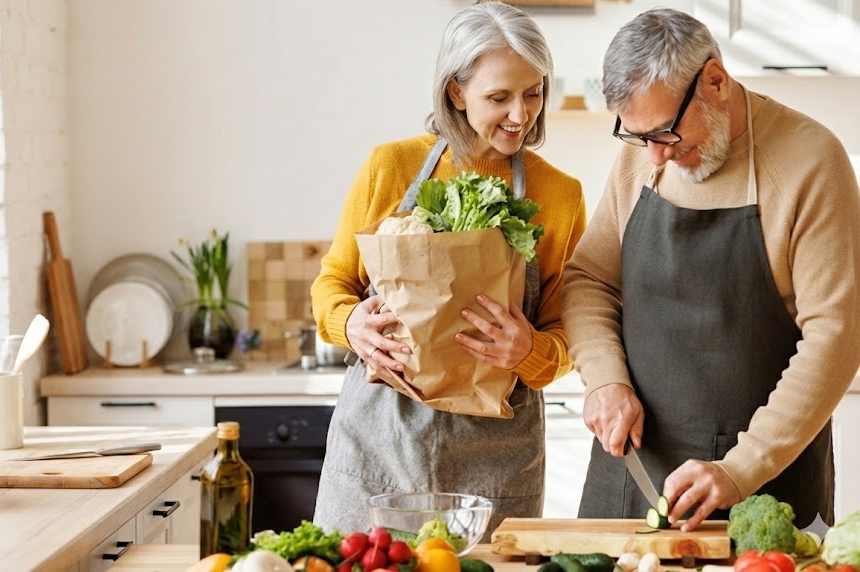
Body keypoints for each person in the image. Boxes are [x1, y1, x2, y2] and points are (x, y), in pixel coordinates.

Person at [561, 7, 860, 532]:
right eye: (638, 137)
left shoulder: (811, 162)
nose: (654, 157)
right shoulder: (644, 157)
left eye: (666, 134)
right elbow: (590, 280)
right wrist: (603, 378)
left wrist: (741, 469)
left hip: (764, 490)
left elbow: (836, 335)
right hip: (630, 477)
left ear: (716, 81)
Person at [310, 2, 587, 536]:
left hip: (497, 459)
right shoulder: (390, 168)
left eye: (534, 93)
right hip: (378, 444)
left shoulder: (560, 195)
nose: (520, 114)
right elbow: (333, 282)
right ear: (456, 93)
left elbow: (568, 337)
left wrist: (530, 352)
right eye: (499, 97)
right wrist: (352, 325)